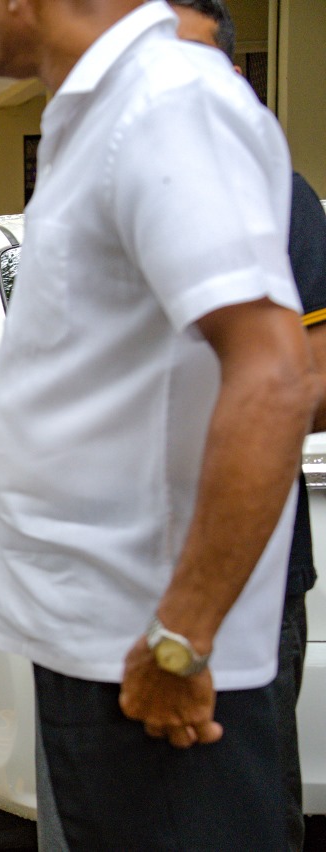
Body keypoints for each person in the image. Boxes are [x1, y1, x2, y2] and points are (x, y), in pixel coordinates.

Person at [0, 0, 312, 848]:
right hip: (107, 648)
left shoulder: (166, 103)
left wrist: (180, 638)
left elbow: (274, 374)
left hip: (153, 663)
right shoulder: (111, 110)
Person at [171, 3, 326, 849]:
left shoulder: (276, 198)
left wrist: (240, 396)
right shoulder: (105, 202)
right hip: (122, 574)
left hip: (247, 571)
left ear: (235, 81)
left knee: (248, 806)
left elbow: (311, 384)